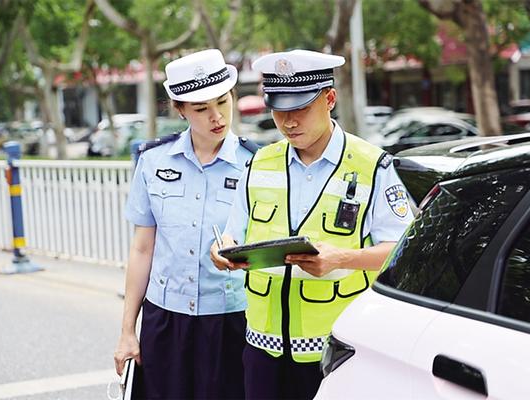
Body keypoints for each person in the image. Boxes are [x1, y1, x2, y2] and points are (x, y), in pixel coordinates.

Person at [211, 50, 414, 400]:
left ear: (329, 99)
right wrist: (222, 250)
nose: (289, 122)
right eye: (279, 110)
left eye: (300, 108)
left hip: (338, 351)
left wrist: (341, 258)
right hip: (262, 349)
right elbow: (233, 233)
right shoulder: (259, 163)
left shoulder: (372, 166)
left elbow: (402, 251)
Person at [115, 49, 256, 399]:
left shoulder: (257, 164)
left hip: (231, 317)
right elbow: (142, 249)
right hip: (165, 318)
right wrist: (128, 331)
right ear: (180, 110)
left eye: (222, 102)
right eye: (201, 108)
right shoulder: (153, 162)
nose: (217, 117)